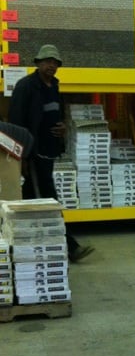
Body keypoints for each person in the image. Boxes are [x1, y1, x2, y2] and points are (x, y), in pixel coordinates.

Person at [8, 44, 94, 262]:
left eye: (55, 62)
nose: (51, 65)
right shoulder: (26, 86)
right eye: (47, 61)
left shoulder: (54, 85)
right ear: (38, 63)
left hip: (48, 153)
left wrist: (63, 127)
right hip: (32, 154)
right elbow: (16, 122)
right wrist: (22, 156)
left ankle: (30, 247)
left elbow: (56, 114)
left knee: (32, 199)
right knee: (48, 198)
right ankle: (70, 247)